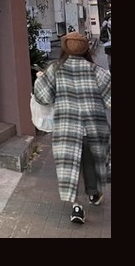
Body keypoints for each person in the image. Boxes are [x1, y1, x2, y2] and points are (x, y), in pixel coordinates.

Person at [33, 31, 112, 224]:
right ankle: (93, 193)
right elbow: (110, 100)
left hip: (67, 128)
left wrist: (40, 78)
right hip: (95, 127)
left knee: (70, 166)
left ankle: (77, 207)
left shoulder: (56, 69)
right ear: (86, 49)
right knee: (92, 162)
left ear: (65, 48)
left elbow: (43, 97)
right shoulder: (97, 71)